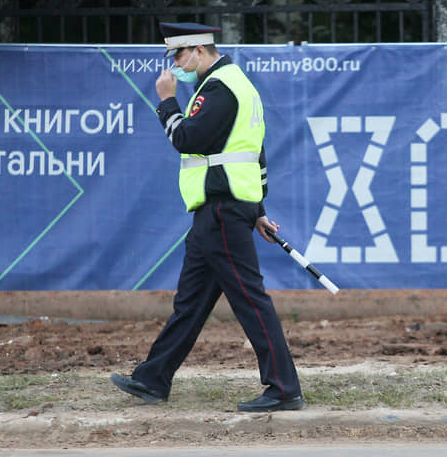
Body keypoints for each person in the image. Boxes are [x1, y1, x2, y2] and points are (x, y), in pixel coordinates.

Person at [110, 22, 304, 413]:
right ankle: (152, 379)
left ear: (199, 50)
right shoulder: (237, 84)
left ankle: (284, 389)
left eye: (178, 56)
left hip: (221, 211)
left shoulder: (217, 88)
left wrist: (167, 101)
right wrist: (258, 211)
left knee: (251, 301)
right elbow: (255, 153)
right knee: (191, 303)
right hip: (219, 213)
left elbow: (188, 139)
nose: (175, 67)